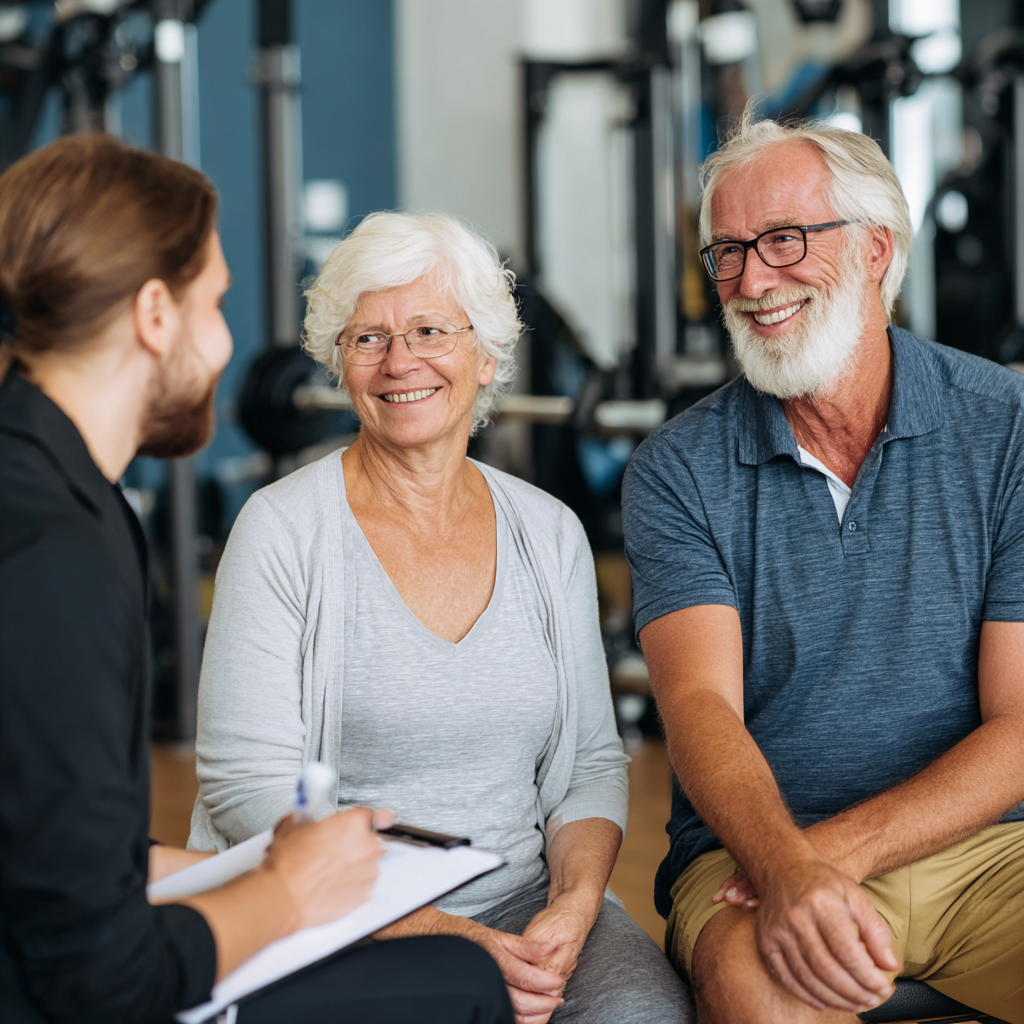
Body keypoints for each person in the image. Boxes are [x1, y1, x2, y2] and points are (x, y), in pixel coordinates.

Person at [0, 135, 513, 1024]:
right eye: (216, 303)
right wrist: (285, 897)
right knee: (464, 990)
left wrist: (282, 875)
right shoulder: (55, 552)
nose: (224, 341)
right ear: (156, 314)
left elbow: (69, 854)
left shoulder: (57, 491)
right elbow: (101, 983)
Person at [188, 211, 693, 1024]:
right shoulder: (281, 530)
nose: (400, 363)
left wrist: (571, 907)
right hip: (339, 917)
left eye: (429, 329)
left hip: (528, 902)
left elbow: (591, 765)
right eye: (368, 339)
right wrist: (443, 935)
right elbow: (249, 790)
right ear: (339, 364)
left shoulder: (548, 531)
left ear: (487, 353)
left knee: (643, 1016)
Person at [622, 110, 1024, 1024]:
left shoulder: (1008, 428)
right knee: (761, 989)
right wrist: (788, 865)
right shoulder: (677, 468)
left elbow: (1020, 726)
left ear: (877, 250)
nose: (752, 280)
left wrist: (833, 855)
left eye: (783, 239)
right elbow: (697, 708)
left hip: (987, 852)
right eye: (727, 251)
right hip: (753, 857)